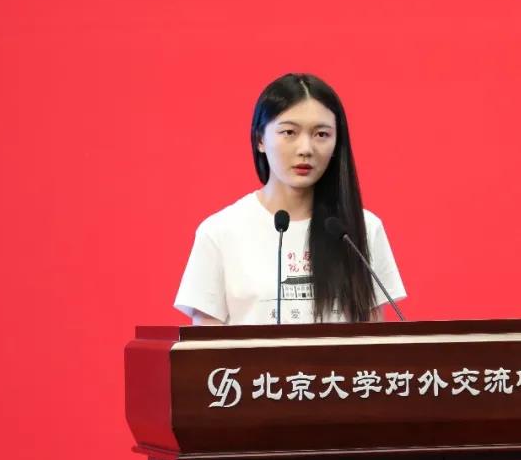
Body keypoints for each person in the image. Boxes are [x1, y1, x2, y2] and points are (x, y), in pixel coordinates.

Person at [174, 73, 406, 325]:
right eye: (289, 132)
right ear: (260, 139)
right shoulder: (219, 232)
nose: (305, 149)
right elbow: (206, 345)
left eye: (321, 134)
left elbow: (375, 340)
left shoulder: (361, 229)